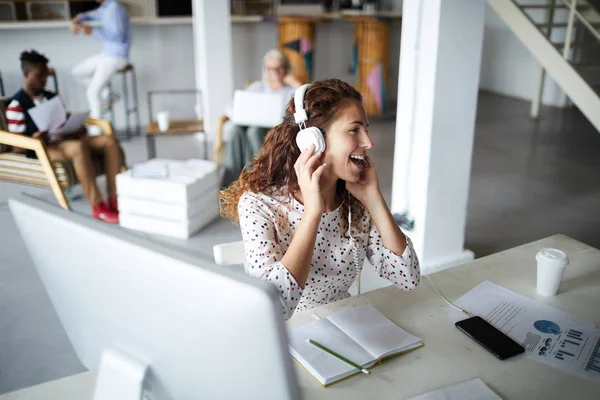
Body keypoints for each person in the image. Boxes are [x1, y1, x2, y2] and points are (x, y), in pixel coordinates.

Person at [220, 79, 420, 320]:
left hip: (345, 324)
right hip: (288, 335)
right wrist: (312, 213)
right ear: (313, 141)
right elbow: (274, 308)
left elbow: (408, 278)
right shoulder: (258, 205)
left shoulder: (354, 200)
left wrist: (374, 198)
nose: (368, 142)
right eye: (354, 130)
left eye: (366, 129)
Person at [5, 50, 124, 224]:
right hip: (46, 148)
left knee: (109, 141)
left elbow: (62, 121)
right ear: (26, 74)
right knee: (78, 147)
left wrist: (76, 128)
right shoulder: (16, 105)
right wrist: (35, 139)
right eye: (39, 76)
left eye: (46, 76)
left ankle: (114, 199)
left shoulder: (51, 96)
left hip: (65, 139)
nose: (43, 81)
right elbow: (16, 146)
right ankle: (98, 207)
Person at [221, 49, 302, 187]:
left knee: (253, 131)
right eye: (270, 69)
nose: (274, 73)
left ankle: (257, 175)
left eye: (279, 68)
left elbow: (307, 103)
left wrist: (296, 83)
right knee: (236, 130)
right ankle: (231, 182)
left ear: (286, 69)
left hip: (277, 130)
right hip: (253, 126)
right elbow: (231, 108)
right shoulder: (257, 87)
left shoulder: (292, 91)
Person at [70, 0, 131, 136]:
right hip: (106, 55)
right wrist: (78, 18)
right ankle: (107, 94)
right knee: (77, 72)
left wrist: (92, 31)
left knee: (92, 93)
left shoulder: (114, 8)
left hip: (116, 57)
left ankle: (96, 133)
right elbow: (92, 14)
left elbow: (119, 36)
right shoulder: (106, 7)